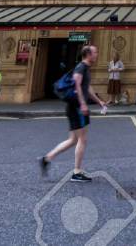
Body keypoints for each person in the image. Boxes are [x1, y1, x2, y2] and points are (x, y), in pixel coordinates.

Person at [41, 45, 108, 182]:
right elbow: (77, 85)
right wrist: (83, 104)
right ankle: (76, 172)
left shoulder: (86, 68)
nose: (97, 54)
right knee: (82, 139)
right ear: (88, 54)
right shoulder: (81, 67)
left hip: (76, 107)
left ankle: (46, 159)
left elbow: (87, 88)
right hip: (77, 108)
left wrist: (99, 101)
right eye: (95, 52)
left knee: (73, 140)